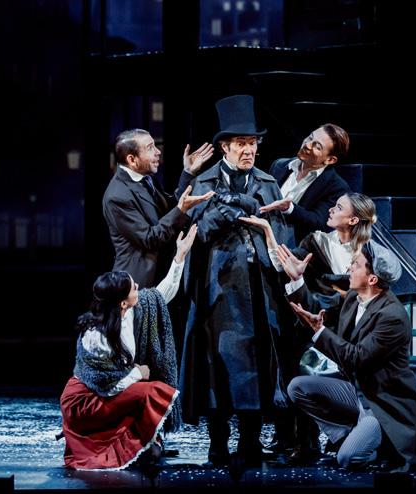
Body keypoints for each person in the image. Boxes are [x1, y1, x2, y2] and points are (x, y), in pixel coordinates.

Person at [179, 94, 291, 468]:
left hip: (258, 290)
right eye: (242, 144)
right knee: (217, 366)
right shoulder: (204, 182)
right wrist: (216, 217)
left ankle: (250, 442)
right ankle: (218, 443)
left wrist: (260, 225)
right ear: (225, 146)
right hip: (217, 291)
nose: (249, 151)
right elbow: (186, 232)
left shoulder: (267, 183)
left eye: (253, 143)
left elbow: (281, 237)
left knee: (256, 368)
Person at [240, 192, 378, 463]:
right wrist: (268, 232)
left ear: (353, 220)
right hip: (314, 324)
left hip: (350, 331)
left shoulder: (369, 255)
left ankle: (353, 435)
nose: (330, 210)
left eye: (338, 207)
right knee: (304, 375)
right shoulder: (318, 241)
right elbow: (287, 264)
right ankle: (307, 442)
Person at [279, 239, 416, 472]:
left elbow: (356, 358)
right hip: (355, 391)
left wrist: (320, 331)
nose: (349, 268)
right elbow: (316, 312)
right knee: (298, 387)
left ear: (372, 279)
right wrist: (297, 279)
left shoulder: (392, 316)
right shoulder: (353, 298)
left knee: (348, 459)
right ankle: (349, 435)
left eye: (356, 265)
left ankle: (380, 444)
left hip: (380, 403)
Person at [59, 225, 198, 470]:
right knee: (151, 390)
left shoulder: (135, 310)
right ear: (122, 302)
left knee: (145, 394)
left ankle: (144, 441)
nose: (139, 288)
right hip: (86, 400)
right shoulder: (95, 335)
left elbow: (163, 293)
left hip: (111, 391)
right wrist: (137, 373)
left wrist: (180, 255)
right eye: (134, 287)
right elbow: (104, 384)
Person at [103, 129, 215, 288]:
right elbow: (150, 239)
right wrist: (181, 210)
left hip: (164, 274)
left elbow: (169, 209)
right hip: (140, 285)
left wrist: (188, 172)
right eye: (150, 148)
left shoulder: (146, 178)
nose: (158, 152)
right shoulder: (117, 196)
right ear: (132, 159)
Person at [260, 124, 352, 247]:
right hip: (261, 233)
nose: (307, 145)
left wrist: (289, 208)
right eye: (310, 138)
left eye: (317, 146)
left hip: (291, 247)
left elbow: (319, 222)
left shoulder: (337, 187)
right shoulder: (279, 165)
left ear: (330, 160)